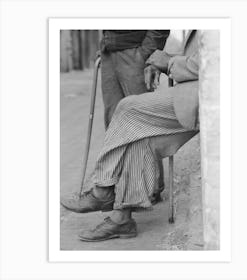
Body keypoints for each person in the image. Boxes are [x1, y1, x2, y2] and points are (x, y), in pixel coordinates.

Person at [61, 30, 199, 242]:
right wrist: (107, 44)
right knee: (135, 136)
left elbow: (212, 65)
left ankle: (104, 189)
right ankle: (122, 219)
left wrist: (165, 60)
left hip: (196, 93)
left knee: (128, 110)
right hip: (114, 51)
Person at [100, 30, 170, 203]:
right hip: (109, 52)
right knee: (114, 123)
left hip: (135, 53)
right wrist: (106, 43)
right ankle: (123, 189)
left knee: (141, 122)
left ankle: (150, 187)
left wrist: (147, 52)